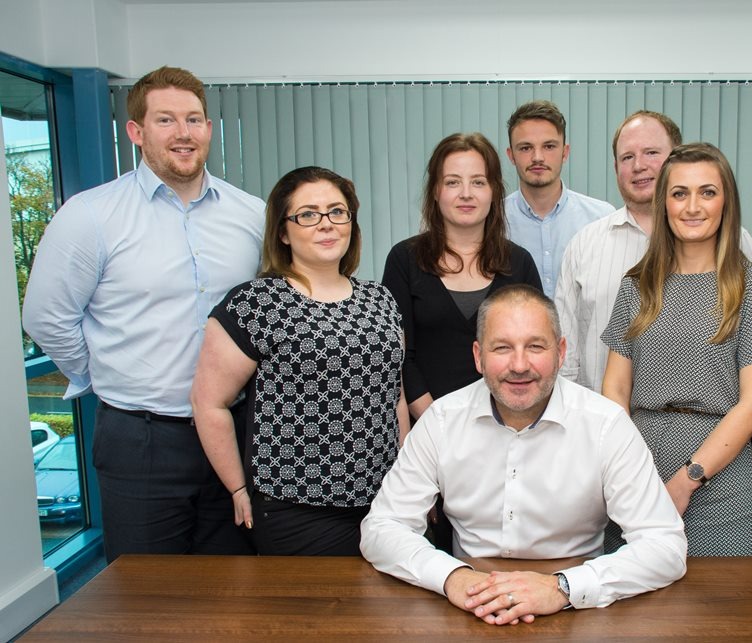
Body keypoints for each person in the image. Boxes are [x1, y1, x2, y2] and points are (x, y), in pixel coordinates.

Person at [22, 66, 263, 562]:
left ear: (209, 129)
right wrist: (107, 377)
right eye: (165, 120)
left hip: (237, 433)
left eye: (194, 120)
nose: (183, 134)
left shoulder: (251, 215)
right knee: (143, 596)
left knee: (237, 591)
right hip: (141, 440)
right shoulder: (90, 217)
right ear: (136, 131)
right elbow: (47, 318)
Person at [360, 285, 687, 626]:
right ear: (478, 356)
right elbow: (382, 528)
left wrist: (563, 587)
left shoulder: (606, 425)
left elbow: (665, 546)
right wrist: (452, 577)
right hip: (469, 604)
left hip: (578, 610)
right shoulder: (441, 421)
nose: (519, 365)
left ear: (561, 352)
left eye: (535, 346)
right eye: (502, 348)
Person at [190, 166, 406, 556]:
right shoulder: (256, 303)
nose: (326, 224)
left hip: (384, 500)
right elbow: (209, 402)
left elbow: (395, 398)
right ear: (283, 232)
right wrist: (238, 488)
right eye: (308, 214)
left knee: (386, 614)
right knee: (314, 615)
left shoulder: (380, 300)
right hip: (296, 506)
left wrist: (408, 482)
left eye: (337, 212)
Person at [601, 143, 752, 557]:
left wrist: (687, 480)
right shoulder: (637, 285)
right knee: (633, 609)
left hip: (718, 479)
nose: (692, 206)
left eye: (707, 192)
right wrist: (632, 473)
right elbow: (614, 390)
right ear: (663, 203)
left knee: (720, 610)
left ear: (726, 203)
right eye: (679, 193)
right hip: (636, 470)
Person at [382, 132, 542, 552]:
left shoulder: (518, 262)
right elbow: (399, 355)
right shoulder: (405, 260)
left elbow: (536, 353)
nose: (466, 193)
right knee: (430, 557)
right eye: (453, 182)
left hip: (507, 433)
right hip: (426, 436)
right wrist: (439, 427)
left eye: (478, 181)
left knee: (503, 551)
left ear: (494, 191)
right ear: (435, 192)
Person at [556, 111, 752, 392]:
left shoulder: (735, 242)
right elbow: (566, 355)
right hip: (601, 422)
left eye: (651, 152)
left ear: (677, 158)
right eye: (627, 157)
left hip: (715, 424)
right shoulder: (584, 245)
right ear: (615, 167)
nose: (639, 165)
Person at [503, 100, 615, 296]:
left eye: (549, 146)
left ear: (565, 152)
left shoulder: (602, 218)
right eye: (525, 148)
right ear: (511, 155)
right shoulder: (493, 221)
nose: (538, 157)